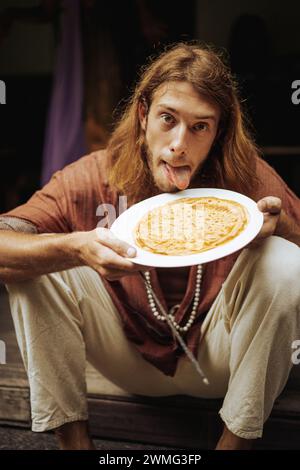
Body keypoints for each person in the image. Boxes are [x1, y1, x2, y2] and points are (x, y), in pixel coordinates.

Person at [0, 43, 300, 450]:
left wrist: (281, 225)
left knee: (284, 261)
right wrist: (76, 247)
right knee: (41, 260)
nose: (179, 143)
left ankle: (234, 444)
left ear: (219, 132)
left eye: (200, 127)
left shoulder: (245, 178)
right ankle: (75, 444)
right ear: (143, 114)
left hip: (223, 363)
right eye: (167, 118)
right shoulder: (95, 173)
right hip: (125, 359)